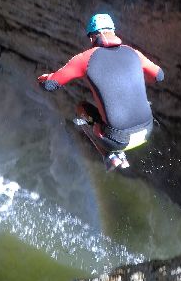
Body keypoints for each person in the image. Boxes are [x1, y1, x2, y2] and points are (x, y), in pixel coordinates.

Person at [37, 13, 164, 171]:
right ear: (113, 31)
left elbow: (50, 85)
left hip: (117, 140)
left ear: (92, 37)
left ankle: (109, 156)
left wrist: (44, 78)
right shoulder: (134, 53)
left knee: (81, 108)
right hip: (147, 131)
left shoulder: (85, 58)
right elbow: (159, 76)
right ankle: (115, 151)